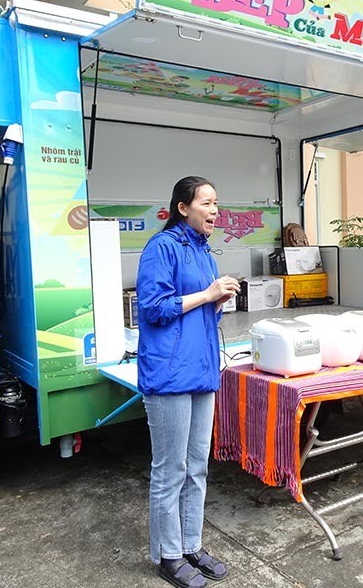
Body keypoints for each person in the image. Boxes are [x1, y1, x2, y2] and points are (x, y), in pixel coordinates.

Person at [136, 176, 240, 588]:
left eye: (217, 203)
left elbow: (201, 311)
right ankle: (168, 555)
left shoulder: (204, 251)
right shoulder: (161, 247)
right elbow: (153, 307)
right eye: (207, 203)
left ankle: (191, 545)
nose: (215, 211)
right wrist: (207, 294)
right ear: (183, 207)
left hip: (201, 369)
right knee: (170, 470)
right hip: (169, 374)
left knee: (197, 466)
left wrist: (217, 300)